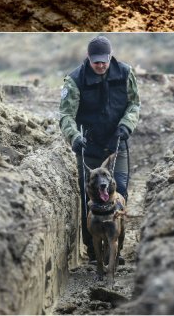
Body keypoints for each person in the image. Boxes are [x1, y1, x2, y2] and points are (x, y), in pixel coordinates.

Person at [59, 36, 141, 262]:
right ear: (89, 58)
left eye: (104, 61)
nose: (100, 65)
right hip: (90, 148)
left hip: (117, 143)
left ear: (110, 57)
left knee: (120, 192)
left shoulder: (125, 73)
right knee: (91, 198)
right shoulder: (75, 80)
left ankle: (116, 249)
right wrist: (74, 136)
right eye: (96, 62)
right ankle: (94, 251)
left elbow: (134, 104)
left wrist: (126, 125)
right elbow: (65, 114)